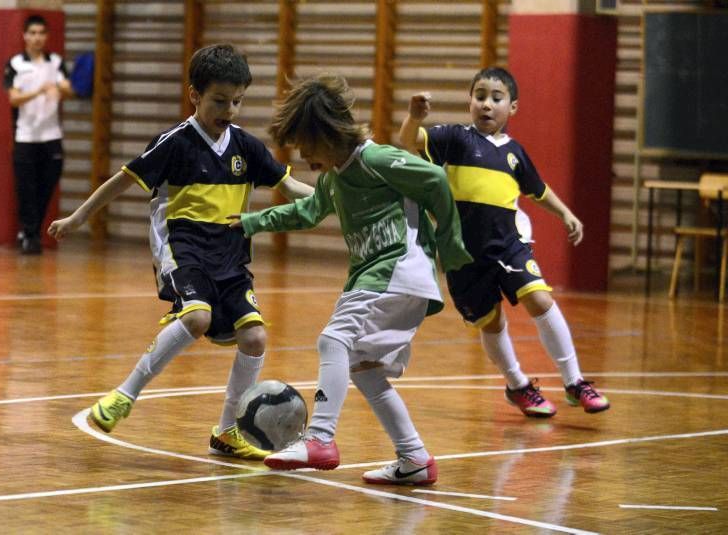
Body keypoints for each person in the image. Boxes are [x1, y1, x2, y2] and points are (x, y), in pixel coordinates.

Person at [48, 44, 314, 460]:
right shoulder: (175, 142)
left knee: (255, 337)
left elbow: (291, 186)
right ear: (194, 95)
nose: (229, 109)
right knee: (197, 317)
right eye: (220, 100)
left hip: (230, 257)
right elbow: (122, 181)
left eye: (237, 101)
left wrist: (337, 198)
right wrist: (79, 218)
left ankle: (227, 432)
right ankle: (124, 394)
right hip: (182, 248)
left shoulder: (246, 146)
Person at [232, 74, 472, 485]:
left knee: (333, 340)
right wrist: (252, 222)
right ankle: (414, 457)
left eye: (307, 145)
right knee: (362, 368)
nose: (304, 156)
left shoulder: (376, 160)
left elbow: (434, 181)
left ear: (327, 132)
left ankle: (321, 438)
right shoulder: (333, 178)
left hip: (396, 267)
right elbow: (306, 211)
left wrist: (449, 247)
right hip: (380, 275)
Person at [399, 67, 609, 418]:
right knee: (491, 322)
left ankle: (575, 382)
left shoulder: (515, 154)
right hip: (462, 255)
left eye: (496, 98)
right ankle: (518, 386)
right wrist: (413, 117)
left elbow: (538, 191)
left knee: (539, 298)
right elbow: (409, 141)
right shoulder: (453, 138)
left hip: (510, 245)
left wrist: (566, 214)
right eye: (480, 96)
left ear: (512, 108)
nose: (487, 104)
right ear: (469, 102)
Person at [4, 14, 74, 254]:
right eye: (32, 33)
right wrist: (38, 91)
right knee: (26, 188)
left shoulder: (55, 62)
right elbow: (13, 98)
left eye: (41, 33)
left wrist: (62, 89)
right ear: (25, 36)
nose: (37, 38)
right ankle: (29, 235)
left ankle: (31, 231)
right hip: (25, 136)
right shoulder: (16, 63)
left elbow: (66, 88)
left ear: (47, 36)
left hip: (51, 135)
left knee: (47, 186)